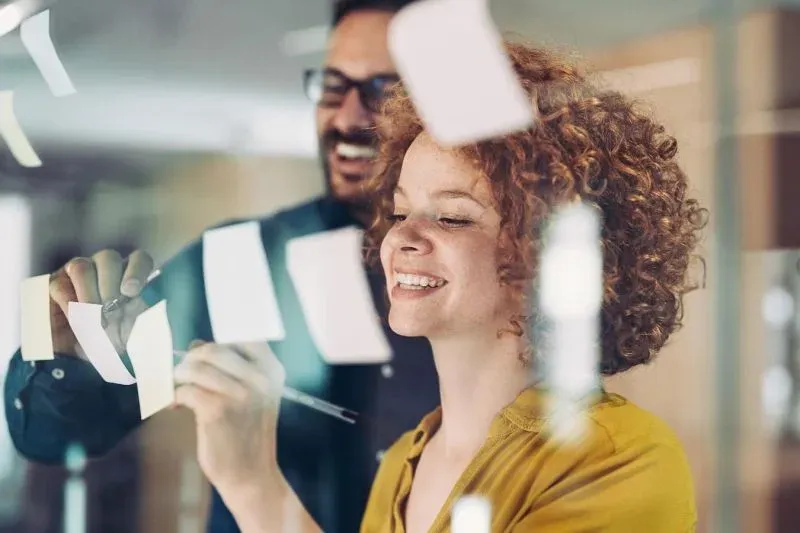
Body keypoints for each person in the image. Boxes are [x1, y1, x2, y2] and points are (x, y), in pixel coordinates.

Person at [171, 42, 706, 532]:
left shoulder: (618, 459)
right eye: (400, 211)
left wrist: (255, 487)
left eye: (452, 217)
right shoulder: (403, 462)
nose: (401, 238)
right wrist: (246, 478)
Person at [3, 2, 438, 533]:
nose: (348, 118)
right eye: (333, 86)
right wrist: (66, 359)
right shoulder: (241, 261)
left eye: (382, 89)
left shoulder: (501, 276)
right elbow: (55, 434)